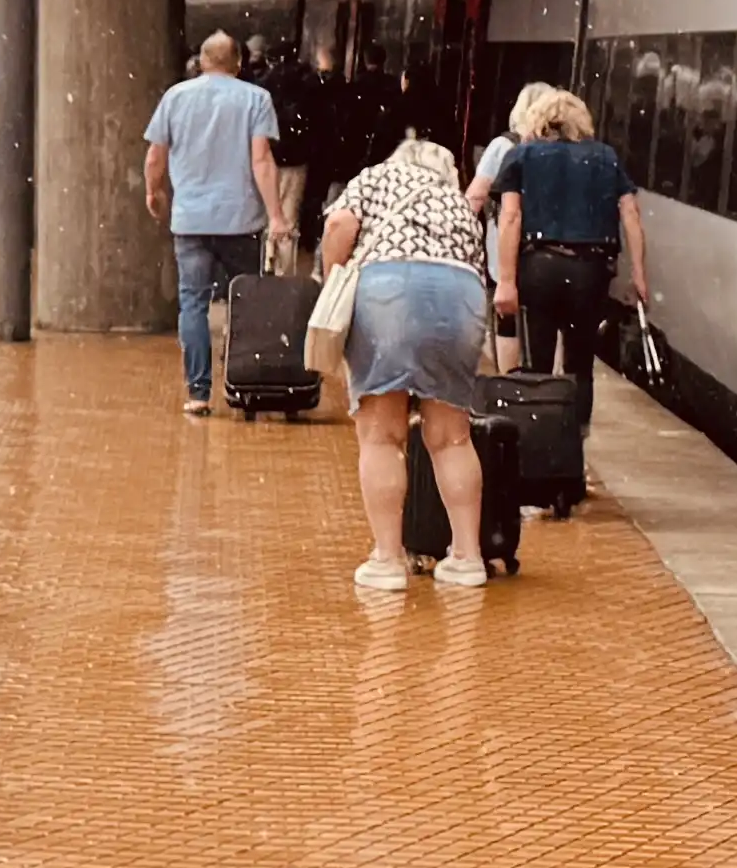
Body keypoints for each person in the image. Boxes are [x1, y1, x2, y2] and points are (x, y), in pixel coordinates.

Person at [316, 127, 497, 596]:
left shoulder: (377, 177)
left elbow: (338, 226)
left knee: (382, 435)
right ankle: (466, 557)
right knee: (452, 437)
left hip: (389, 291)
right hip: (460, 296)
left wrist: (332, 276)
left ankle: (387, 559)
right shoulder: (456, 200)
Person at [140, 30, 295, 416]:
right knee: (247, 304)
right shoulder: (256, 99)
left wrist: (153, 192)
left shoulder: (175, 97)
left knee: (193, 305)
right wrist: (276, 215)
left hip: (190, 222)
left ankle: (198, 393)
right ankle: (245, 386)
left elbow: (155, 157)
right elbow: (262, 161)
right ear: (239, 63)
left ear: (202, 61)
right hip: (241, 221)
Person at [478, 83, 641, 397]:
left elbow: (510, 217)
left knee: (536, 360)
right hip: (590, 270)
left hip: (539, 266)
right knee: (580, 364)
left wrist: (506, 280)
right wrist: (639, 274)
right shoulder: (606, 156)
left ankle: (539, 428)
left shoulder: (522, 154)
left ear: (537, 119)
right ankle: (574, 434)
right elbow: (630, 212)